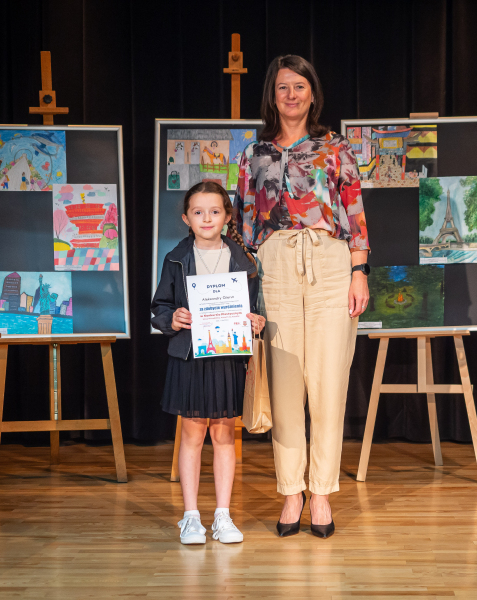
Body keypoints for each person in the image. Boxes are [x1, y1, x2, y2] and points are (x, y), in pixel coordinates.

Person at [233, 55, 370, 539]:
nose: (291, 95)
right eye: (283, 87)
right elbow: (243, 224)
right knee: (285, 384)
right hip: (275, 266)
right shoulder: (253, 154)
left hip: (331, 263)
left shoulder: (336, 148)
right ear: (272, 96)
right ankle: (292, 490)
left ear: (313, 93)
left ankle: (322, 493)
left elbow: (354, 212)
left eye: (299, 86)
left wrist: (359, 272)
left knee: (328, 382)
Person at [151, 181, 265, 546]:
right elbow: (160, 307)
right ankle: (190, 517)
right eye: (198, 212)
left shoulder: (245, 260)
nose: (207, 218)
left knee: (224, 435)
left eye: (215, 211)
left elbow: (257, 308)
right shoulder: (175, 258)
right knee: (192, 435)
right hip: (190, 357)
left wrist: (257, 321)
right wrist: (173, 318)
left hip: (227, 357)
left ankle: (223, 515)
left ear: (227, 216)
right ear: (186, 218)